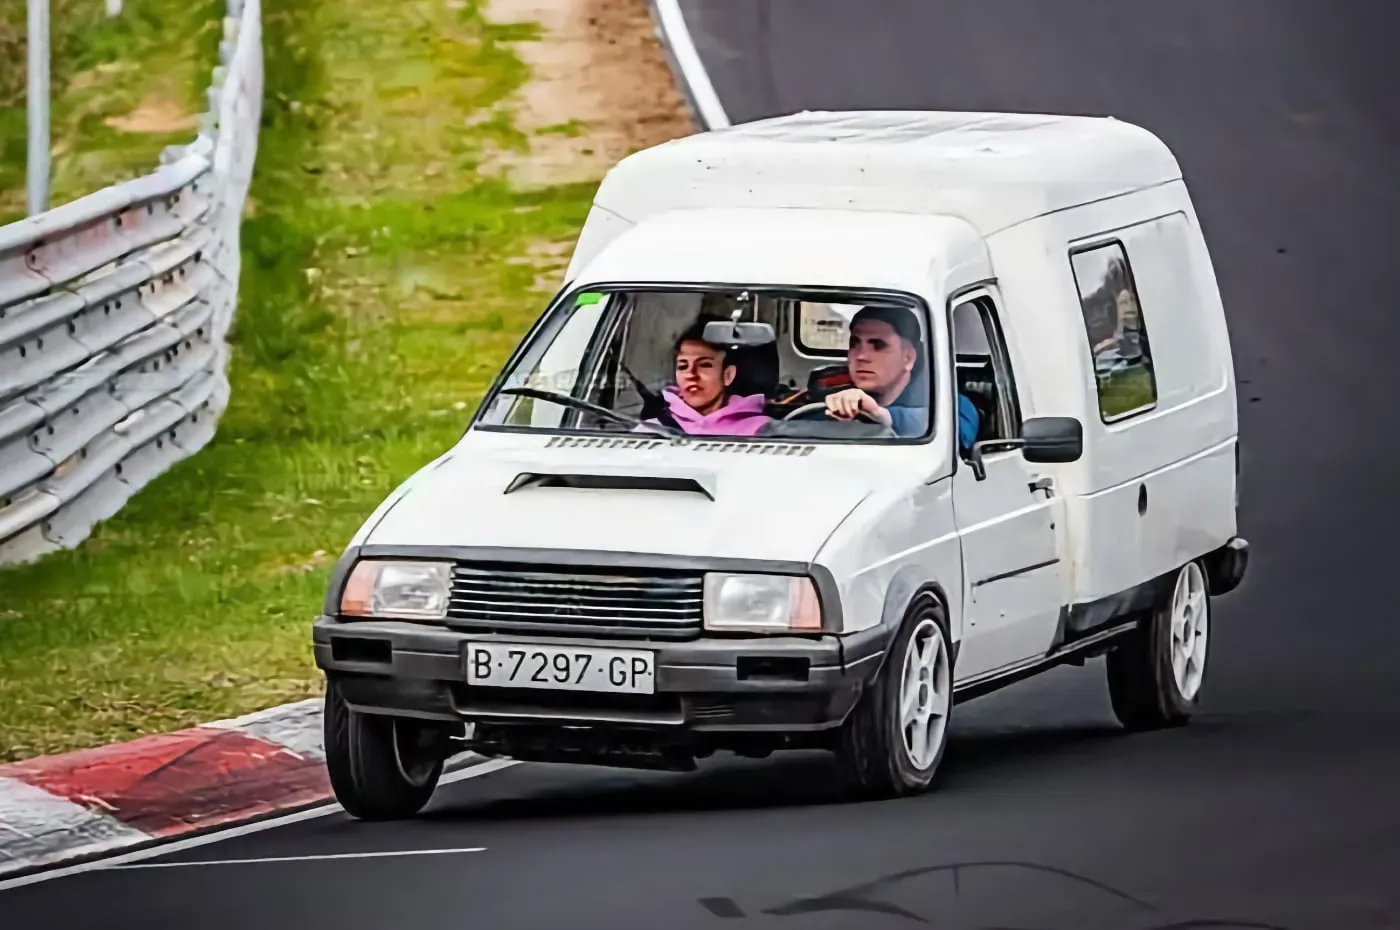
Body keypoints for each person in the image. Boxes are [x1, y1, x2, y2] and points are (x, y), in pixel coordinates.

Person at [823, 305, 980, 450]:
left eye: (878, 345)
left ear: (908, 358)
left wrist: (882, 415)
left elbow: (955, 434)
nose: (861, 356)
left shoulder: (949, 402)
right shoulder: (829, 391)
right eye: (855, 343)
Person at [640, 320, 773, 436]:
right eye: (683, 366)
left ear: (728, 375)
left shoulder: (761, 431)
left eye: (704, 365)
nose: (691, 374)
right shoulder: (651, 430)